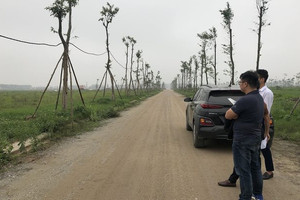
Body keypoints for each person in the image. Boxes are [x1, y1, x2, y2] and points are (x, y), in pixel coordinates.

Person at [218, 69, 274, 188]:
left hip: (247, 135)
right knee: (252, 165)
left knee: (245, 169)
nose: (239, 84)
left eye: (240, 82)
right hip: (255, 133)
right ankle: (256, 193)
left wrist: (266, 131)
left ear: (246, 84)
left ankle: (245, 195)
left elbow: (266, 114)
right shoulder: (258, 96)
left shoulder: (259, 95)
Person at [257, 69, 274, 179]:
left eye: (256, 77)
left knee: (264, 147)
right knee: (261, 147)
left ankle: (269, 171)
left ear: (262, 79)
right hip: (256, 122)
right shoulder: (257, 91)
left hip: (263, 122)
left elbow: (266, 111)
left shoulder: (267, 93)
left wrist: (266, 130)